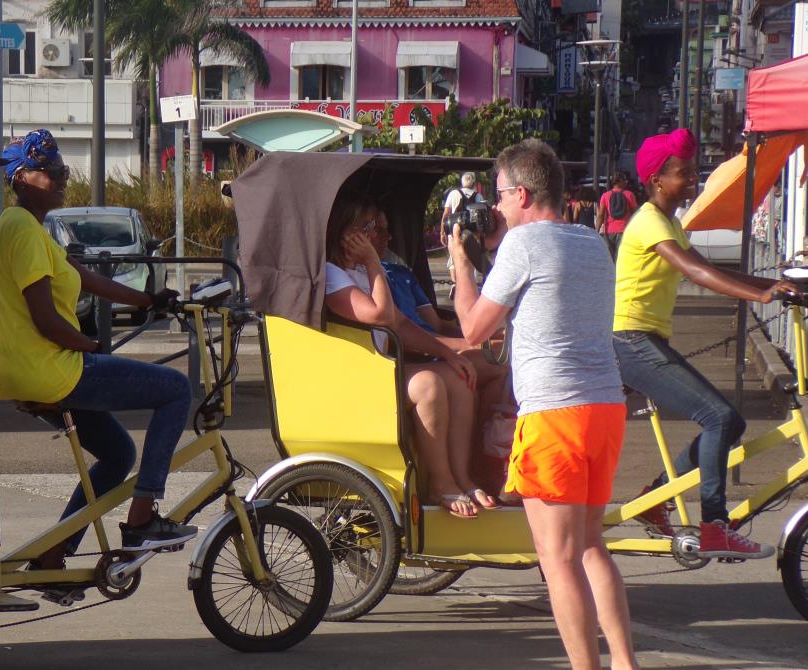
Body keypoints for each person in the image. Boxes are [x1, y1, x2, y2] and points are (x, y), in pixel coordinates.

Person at [449, 139, 637, 670]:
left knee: (557, 561)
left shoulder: (523, 244)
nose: (496, 205)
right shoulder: (591, 241)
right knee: (592, 545)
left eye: (500, 194)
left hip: (554, 414)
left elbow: (473, 331)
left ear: (523, 195)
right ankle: (625, 663)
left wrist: (461, 265)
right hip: (604, 407)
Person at [0, 130, 196, 574]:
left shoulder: (27, 227)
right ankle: (142, 518)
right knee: (176, 390)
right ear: (22, 178)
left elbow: (85, 277)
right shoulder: (22, 230)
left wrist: (149, 300)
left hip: (30, 369)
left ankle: (53, 553)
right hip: (50, 369)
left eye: (63, 170)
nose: (62, 178)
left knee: (118, 455)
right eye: (52, 171)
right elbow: (46, 319)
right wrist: (88, 345)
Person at [613, 128, 795, 559]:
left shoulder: (670, 222)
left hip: (647, 341)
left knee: (730, 423)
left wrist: (775, 285)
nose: (693, 179)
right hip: (632, 342)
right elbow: (695, 274)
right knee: (718, 418)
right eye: (684, 172)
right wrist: (761, 296)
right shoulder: (649, 222)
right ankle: (715, 524)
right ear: (657, 180)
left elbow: (710, 267)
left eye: (694, 171)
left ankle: (656, 499)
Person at [325, 194, 496, 518]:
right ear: (349, 234)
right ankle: (441, 482)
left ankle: (461, 476)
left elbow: (401, 324)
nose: (379, 235)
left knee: (460, 376)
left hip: (381, 369)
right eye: (370, 228)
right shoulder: (333, 274)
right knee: (428, 384)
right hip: (357, 377)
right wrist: (373, 262)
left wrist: (448, 353)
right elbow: (380, 315)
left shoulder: (361, 271)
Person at [598, 172, 639, 258]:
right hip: (624, 230)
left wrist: (596, 231)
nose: (626, 182)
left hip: (609, 231)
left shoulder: (605, 195)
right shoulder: (629, 194)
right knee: (621, 257)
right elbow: (636, 214)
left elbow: (601, 215)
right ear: (620, 181)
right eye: (625, 180)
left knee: (610, 257)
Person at [441, 171, 484, 236]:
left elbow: (446, 214)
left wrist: (442, 233)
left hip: (457, 232)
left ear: (462, 182)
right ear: (473, 183)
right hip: (473, 234)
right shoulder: (478, 196)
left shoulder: (453, 193)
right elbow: (482, 216)